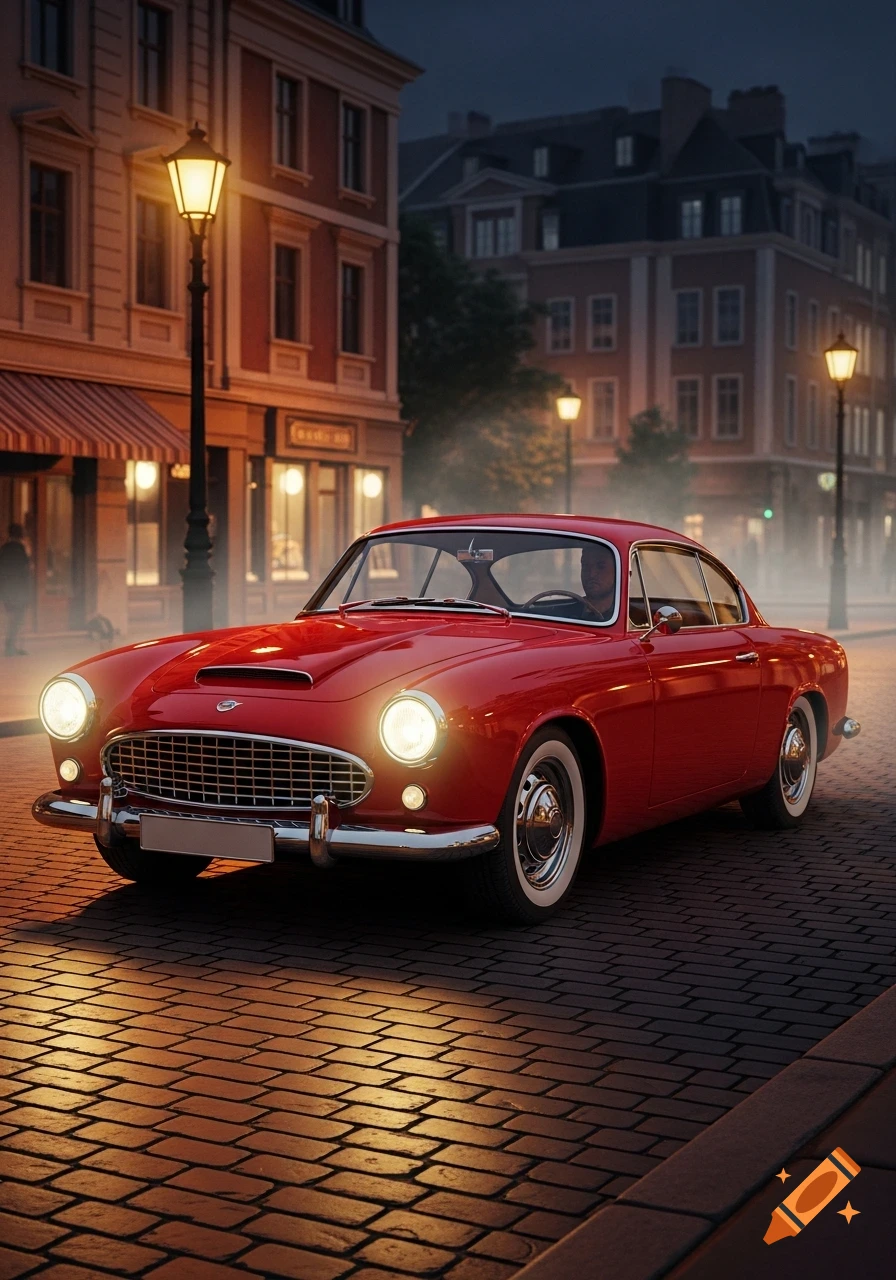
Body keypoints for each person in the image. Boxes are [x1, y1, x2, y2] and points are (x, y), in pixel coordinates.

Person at [0, 523, 32, 656]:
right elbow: (26, 570)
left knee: (10, 618)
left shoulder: (4, 548)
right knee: (17, 619)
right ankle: (11, 645)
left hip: (7, 588)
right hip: (18, 589)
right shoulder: (21, 549)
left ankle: (10, 645)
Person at [579, 541, 616, 619]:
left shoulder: (633, 617)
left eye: (601, 567)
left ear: (617, 571)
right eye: (586, 566)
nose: (591, 574)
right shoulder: (565, 615)